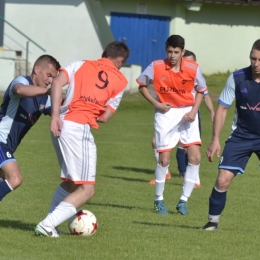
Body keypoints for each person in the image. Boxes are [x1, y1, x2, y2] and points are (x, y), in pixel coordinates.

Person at [34, 41, 130, 237]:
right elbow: (105, 117)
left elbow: (57, 83)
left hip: (60, 124)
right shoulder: (121, 81)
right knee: (87, 190)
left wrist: (54, 116)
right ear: (120, 61)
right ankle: (47, 225)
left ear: (104, 54)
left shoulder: (80, 64)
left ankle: (51, 223)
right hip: (78, 129)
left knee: (70, 183)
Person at [137, 35, 207, 215]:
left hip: (187, 114)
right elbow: (142, 85)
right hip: (166, 114)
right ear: (166, 50)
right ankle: (158, 200)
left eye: (176, 52)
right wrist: (156, 103)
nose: (173, 55)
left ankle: (183, 200)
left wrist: (193, 111)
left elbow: (201, 91)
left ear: (183, 52)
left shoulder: (193, 68)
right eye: (170, 51)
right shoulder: (156, 66)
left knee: (195, 158)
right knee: (164, 160)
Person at [202, 39, 260, 230]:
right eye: (253, 58)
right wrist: (215, 139)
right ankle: (212, 223)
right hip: (241, 136)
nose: (256, 64)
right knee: (223, 178)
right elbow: (223, 109)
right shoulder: (237, 77)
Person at [148, 50, 215, 187]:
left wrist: (212, 111)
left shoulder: (196, 78)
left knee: (189, 148)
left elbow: (206, 96)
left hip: (190, 116)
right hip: (171, 115)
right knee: (156, 142)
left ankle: (194, 179)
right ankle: (165, 172)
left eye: (191, 61)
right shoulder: (175, 75)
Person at [0, 55, 60, 202]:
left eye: (54, 78)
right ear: (37, 69)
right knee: (15, 178)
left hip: (7, 146)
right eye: (49, 75)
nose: (50, 81)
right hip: (0, 141)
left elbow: (60, 112)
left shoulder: (44, 99)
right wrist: (48, 92)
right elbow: (19, 90)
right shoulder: (21, 81)